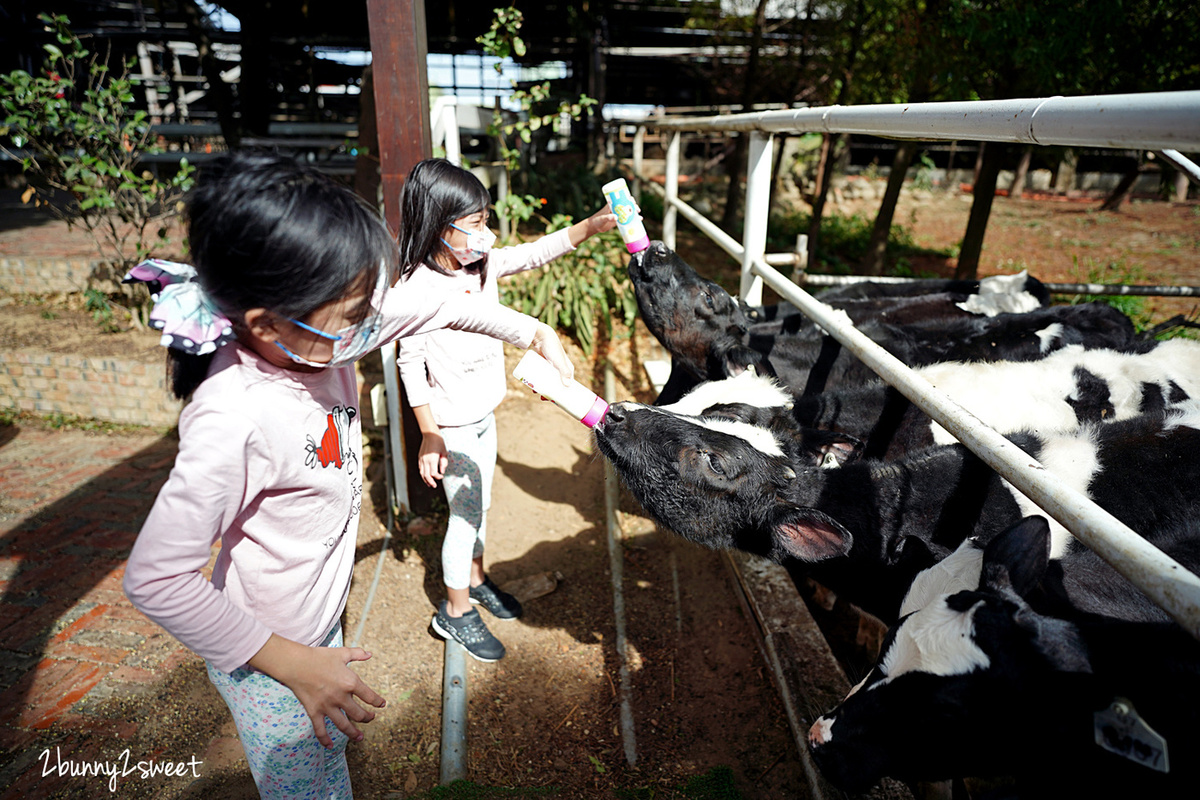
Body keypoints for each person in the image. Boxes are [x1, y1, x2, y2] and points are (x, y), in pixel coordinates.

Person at [122, 150, 575, 799]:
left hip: (311, 628)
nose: (372, 325)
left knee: (327, 772)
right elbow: (157, 578)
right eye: (356, 311)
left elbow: (438, 309)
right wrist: (294, 664)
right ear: (265, 323)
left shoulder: (322, 334)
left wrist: (531, 333)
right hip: (271, 658)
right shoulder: (234, 416)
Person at [396, 158, 617, 662]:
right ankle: (453, 613)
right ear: (438, 224)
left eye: (485, 220)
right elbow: (410, 366)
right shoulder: (415, 291)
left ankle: (475, 580)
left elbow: (537, 252)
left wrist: (592, 224)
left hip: (484, 416)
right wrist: (428, 432)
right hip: (451, 427)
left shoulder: (482, 264)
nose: (486, 234)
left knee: (481, 508)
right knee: (464, 518)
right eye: (474, 224)